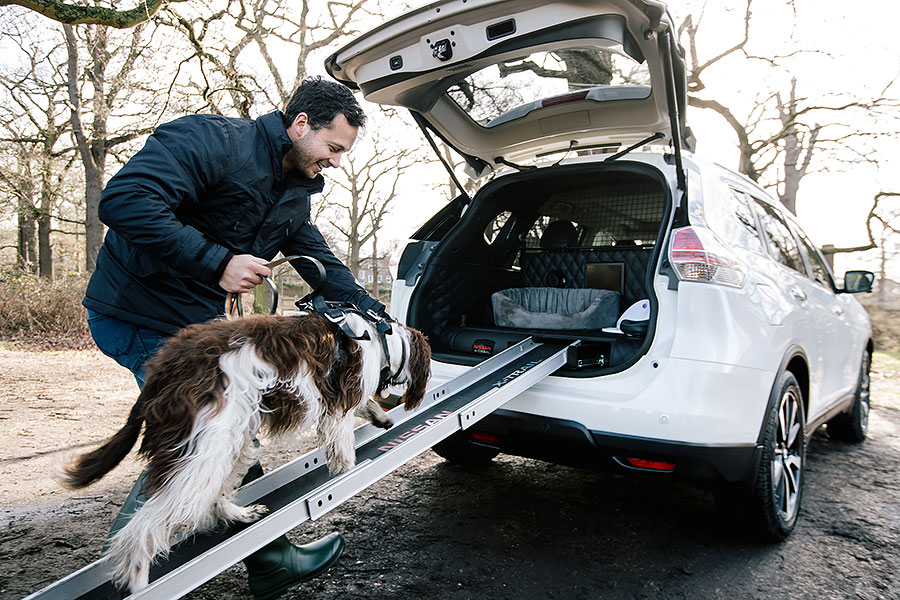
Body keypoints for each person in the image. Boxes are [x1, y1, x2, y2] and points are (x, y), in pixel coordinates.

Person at [83, 76, 384, 599]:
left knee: (231, 429)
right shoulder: (211, 141)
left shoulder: (293, 190)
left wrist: (374, 314)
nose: (336, 161)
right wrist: (217, 262)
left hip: (194, 325)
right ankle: (115, 582)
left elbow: (318, 260)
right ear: (299, 124)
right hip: (136, 312)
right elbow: (125, 201)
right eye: (333, 147)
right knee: (204, 437)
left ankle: (271, 558)